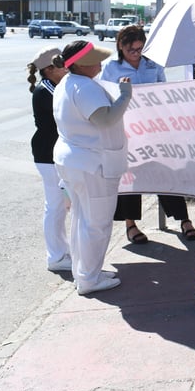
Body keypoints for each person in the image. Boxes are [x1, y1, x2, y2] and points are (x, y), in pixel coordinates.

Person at [100, 25, 195, 243]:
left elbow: (164, 92)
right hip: (127, 130)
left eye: (139, 49)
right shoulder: (110, 68)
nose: (136, 53)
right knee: (130, 176)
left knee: (167, 173)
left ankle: (183, 219)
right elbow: (105, 98)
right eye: (131, 50)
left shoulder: (153, 64)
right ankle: (131, 224)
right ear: (121, 47)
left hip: (155, 129)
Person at [53, 40, 132, 295]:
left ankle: (85, 272)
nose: (99, 63)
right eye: (93, 60)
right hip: (91, 165)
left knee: (82, 219)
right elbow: (106, 119)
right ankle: (89, 279)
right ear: (78, 64)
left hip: (74, 161)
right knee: (96, 224)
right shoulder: (84, 87)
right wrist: (124, 97)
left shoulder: (67, 83)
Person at [27, 46, 71, 272]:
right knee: (54, 206)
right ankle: (56, 257)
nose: (66, 66)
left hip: (53, 154)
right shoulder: (46, 90)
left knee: (60, 205)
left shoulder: (56, 85)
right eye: (61, 63)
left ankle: (62, 251)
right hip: (47, 155)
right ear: (49, 68)